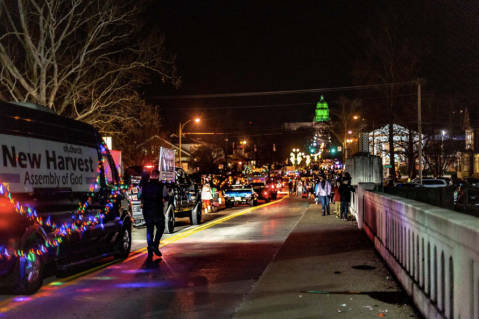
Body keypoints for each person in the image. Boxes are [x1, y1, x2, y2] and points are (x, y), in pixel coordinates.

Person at [140, 169, 170, 262]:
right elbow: (166, 197)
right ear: (158, 176)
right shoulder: (162, 186)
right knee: (160, 227)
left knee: (149, 229)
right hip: (157, 210)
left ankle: (150, 250)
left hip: (147, 210)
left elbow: (138, 196)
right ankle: (155, 245)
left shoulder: (144, 186)